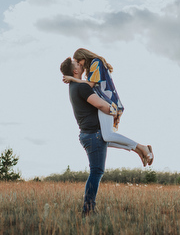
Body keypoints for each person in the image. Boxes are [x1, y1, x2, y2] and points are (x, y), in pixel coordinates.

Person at [60, 57, 153, 216]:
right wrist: (114, 111)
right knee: (96, 172)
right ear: (75, 70)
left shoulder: (76, 86)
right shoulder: (80, 87)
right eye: (77, 64)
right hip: (93, 134)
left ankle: (140, 149)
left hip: (89, 134)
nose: (80, 64)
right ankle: (88, 210)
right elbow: (101, 105)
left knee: (105, 147)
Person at [64, 48, 153, 165]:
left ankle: (141, 148)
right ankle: (139, 149)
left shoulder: (96, 62)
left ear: (83, 57)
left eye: (79, 62)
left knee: (107, 136)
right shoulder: (92, 67)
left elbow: (90, 84)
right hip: (104, 101)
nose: (80, 65)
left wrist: (73, 79)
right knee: (104, 138)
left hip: (107, 102)